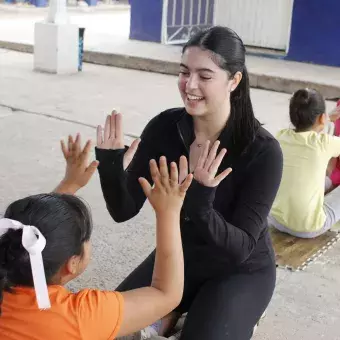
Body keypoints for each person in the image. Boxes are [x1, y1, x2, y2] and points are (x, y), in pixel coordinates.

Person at [95, 26, 283, 340]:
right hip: (177, 258)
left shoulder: (262, 151)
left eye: (205, 76)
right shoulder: (165, 128)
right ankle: (171, 314)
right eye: (184, 72)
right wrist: (110, 164)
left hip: (239, 271)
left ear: (233, 81)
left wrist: (200, 198)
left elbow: (240, 249)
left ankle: (213, 314)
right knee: (105, 329)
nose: (190, 85)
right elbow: (123, 210)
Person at [0, 134, 195, 339]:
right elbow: (165, 294)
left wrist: (69, 184)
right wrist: (169, 213)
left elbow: (29, 234)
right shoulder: (80, 317)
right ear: (72, 264)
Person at [270, 88, 340, 238]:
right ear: (322, 118)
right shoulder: (323, 143)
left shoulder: (281, 136)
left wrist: (326, 120)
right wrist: (330, 120)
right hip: (309, 228)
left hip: (275, 219)